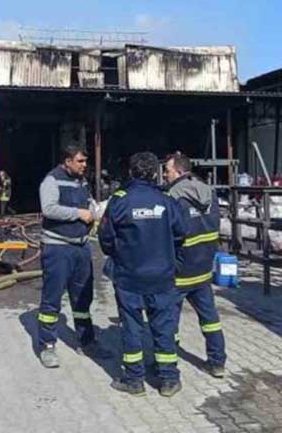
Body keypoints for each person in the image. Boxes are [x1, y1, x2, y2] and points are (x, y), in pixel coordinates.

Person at [98, 151, 188, 397]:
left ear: (130, 172)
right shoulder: (166, 200)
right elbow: (181, 232)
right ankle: (169, 379)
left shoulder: (120, 200)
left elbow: (105, 237)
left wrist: (119, 254)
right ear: (154, 173)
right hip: (162, 276)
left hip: (129, 277)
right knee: (164, 328)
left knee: (132, 328)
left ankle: (134, 380)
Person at [163, 151, 227, 378]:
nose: (165, 176)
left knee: (168, 322)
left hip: (179, 271)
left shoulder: (173, 197)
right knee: (210, 319)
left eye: (168, 171)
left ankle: (168, 368)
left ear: (179, 171)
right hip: (203, 269)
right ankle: (218, 363)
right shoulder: (209, 192)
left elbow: (169, 234)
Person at [36, 144, 100, 368]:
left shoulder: (82, 181)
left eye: (85, 161)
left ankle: (86, 341)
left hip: (80, 248)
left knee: (83, 296)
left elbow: (88, 202)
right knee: (52, 299)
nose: (84, 165)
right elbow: (49, 209)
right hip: (58, 248)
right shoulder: (52, 181)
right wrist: (78, 214)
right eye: (80, 161)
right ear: (67, 161)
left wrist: (93, 210)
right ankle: (47, 346)